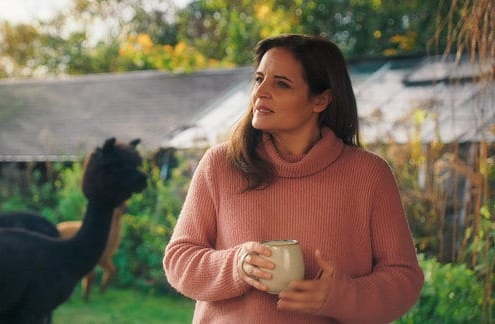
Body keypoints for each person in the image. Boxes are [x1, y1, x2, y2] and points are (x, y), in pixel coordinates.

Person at [163, 34, 424, 323]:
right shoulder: (220, 166)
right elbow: (178, 260)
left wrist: (341, 297)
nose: (260, 92)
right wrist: (236, 265)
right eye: (259, 79)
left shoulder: (370, 175)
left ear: (320, 100)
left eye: (281, 84)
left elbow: (404, 278)